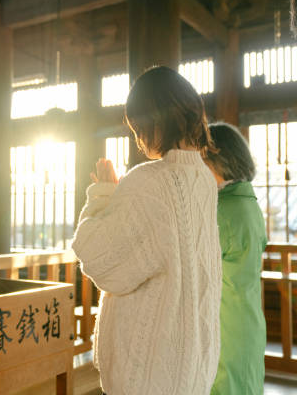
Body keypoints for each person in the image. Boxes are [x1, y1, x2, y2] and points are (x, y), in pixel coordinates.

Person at [72, 66, 222, 394]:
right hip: (194, 360)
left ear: (153, 120)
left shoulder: (149, 180)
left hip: (149, 367)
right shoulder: (204, 181)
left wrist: (104, 193)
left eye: (138, 127)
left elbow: (101, 261)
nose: (139, 138)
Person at [204, 122, 267, 395]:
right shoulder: (247, 203)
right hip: (247, 319)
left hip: (226, 324)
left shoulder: (223, 209)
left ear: (217, 157)